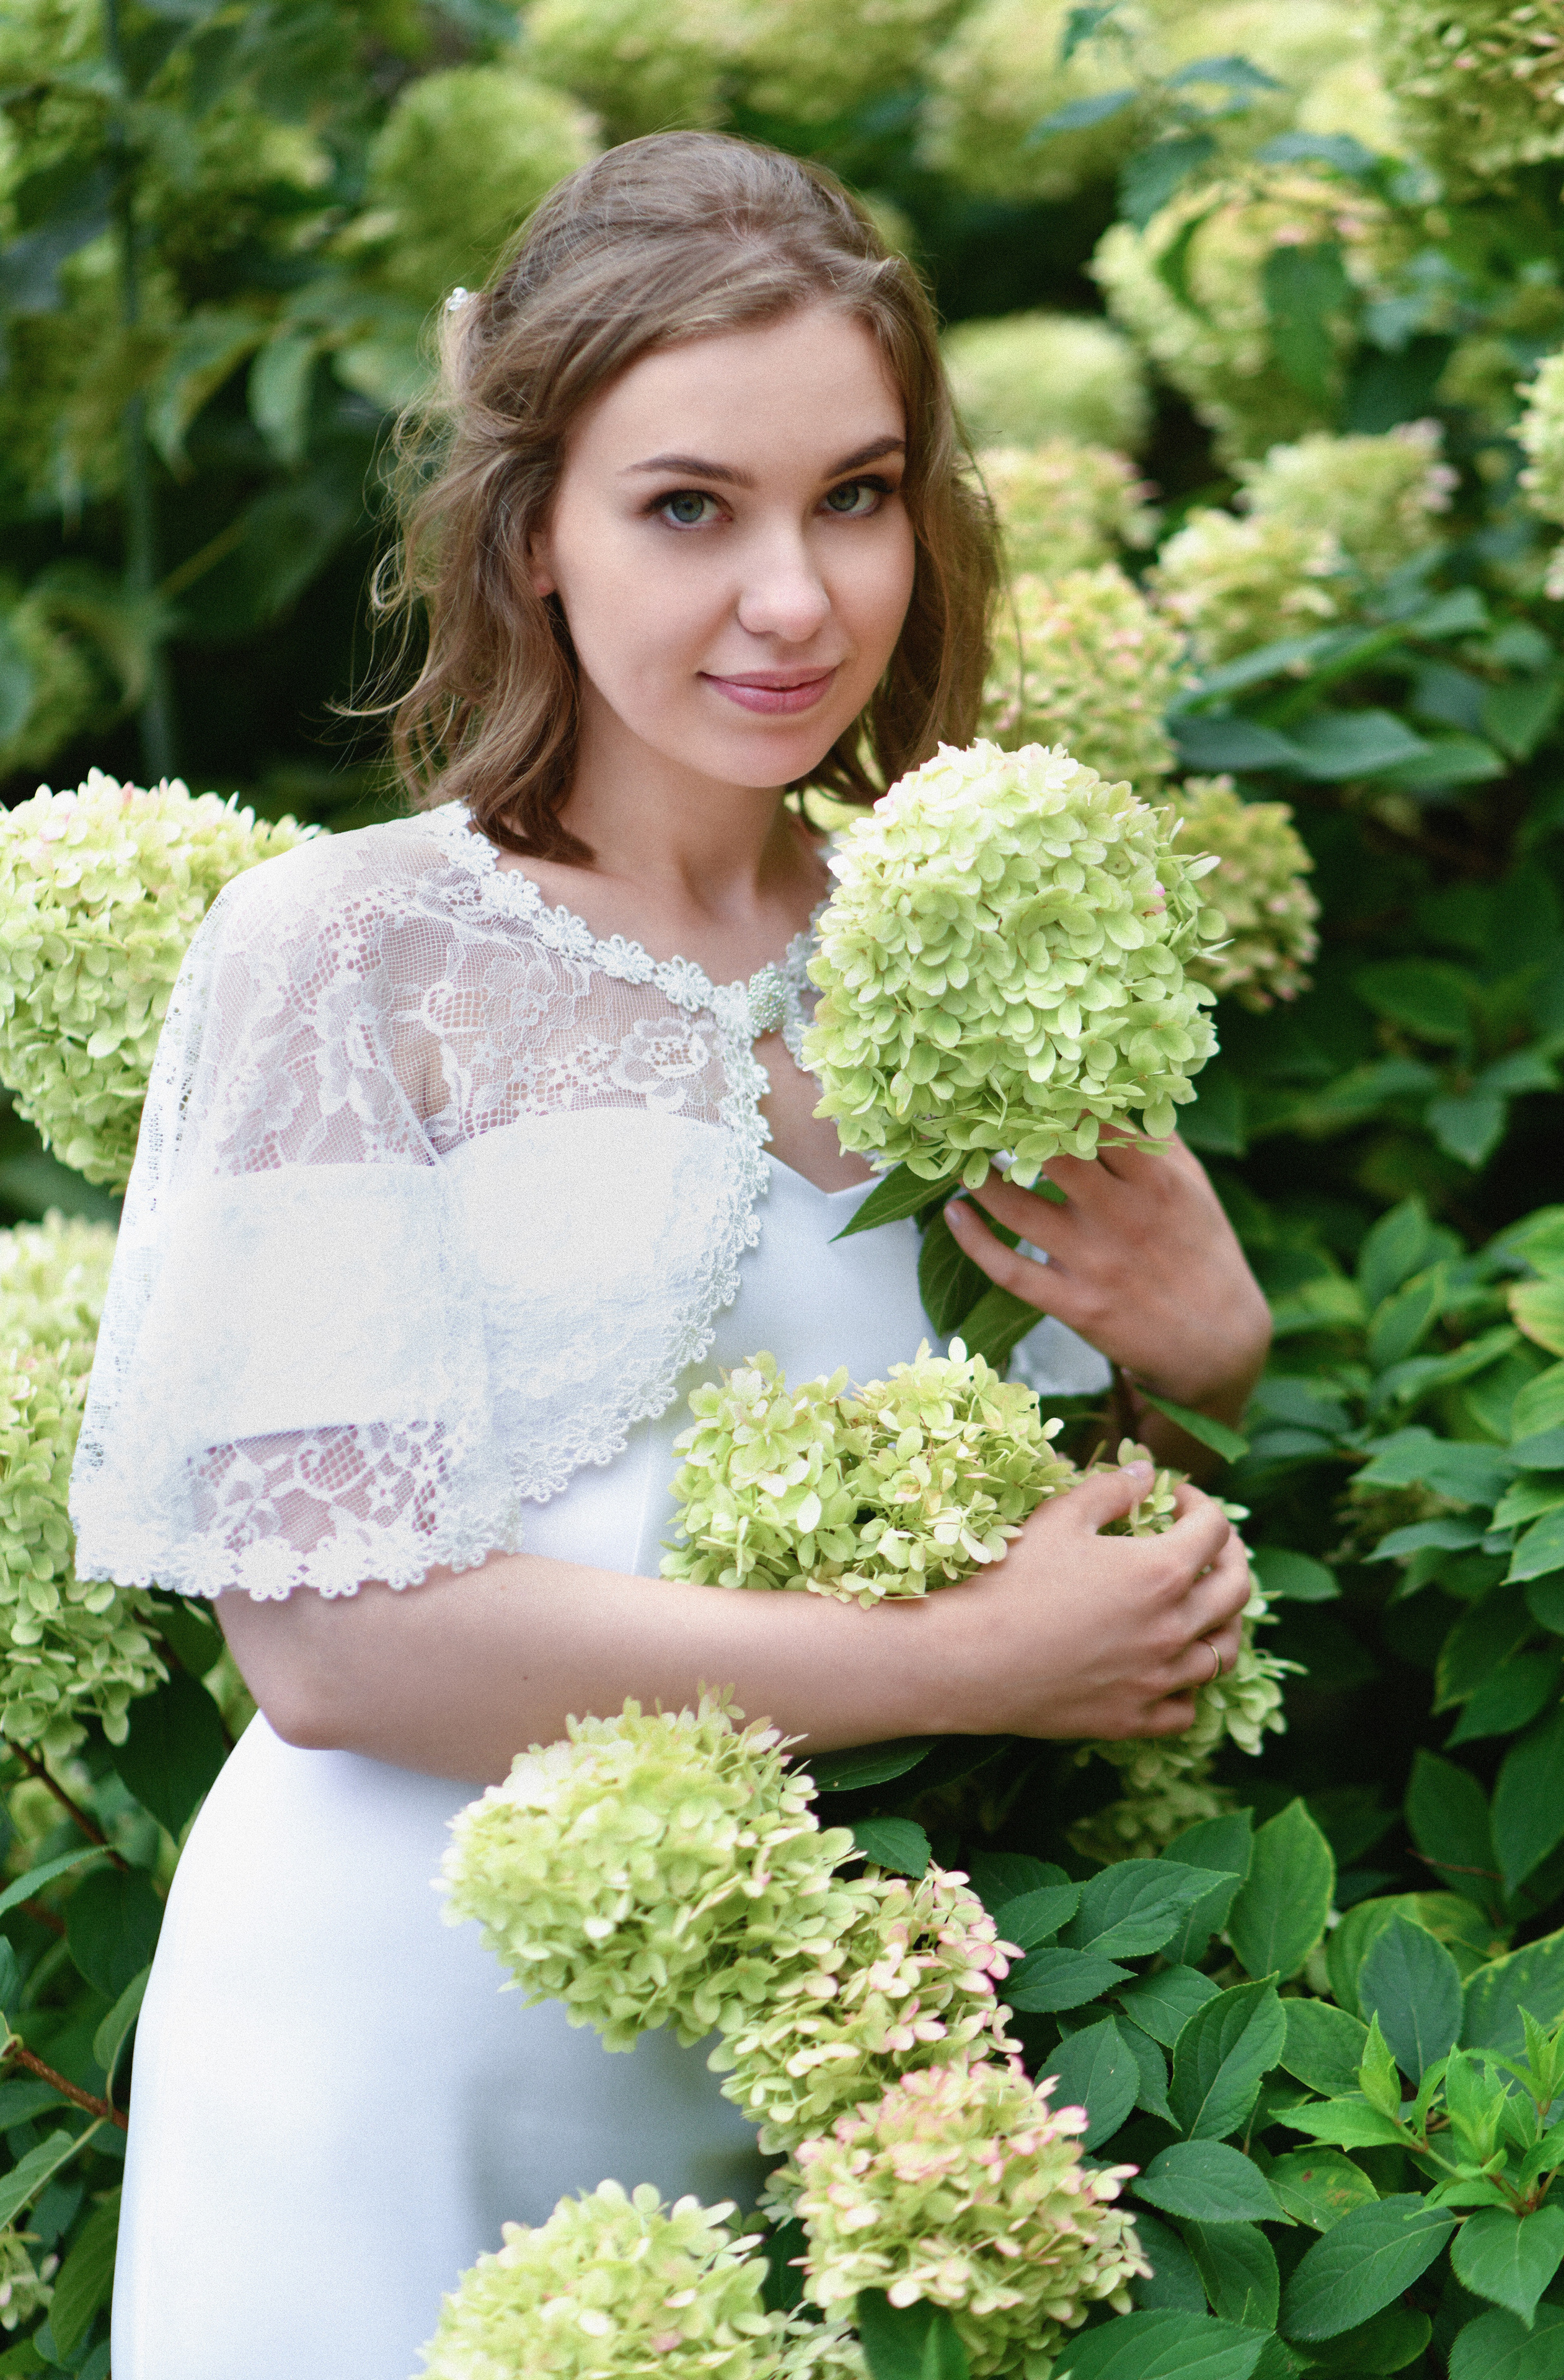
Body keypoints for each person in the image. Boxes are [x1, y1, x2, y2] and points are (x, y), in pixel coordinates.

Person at [71, 133, 1270, 2380]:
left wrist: (1216, 1354)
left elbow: (1097, 1523)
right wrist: (966, 1664)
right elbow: (329, 1648)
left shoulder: (963, 946)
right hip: (391, 2042)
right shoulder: (352, 951)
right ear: (534, 530)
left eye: (859, 493)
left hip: (839, 2062)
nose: (798, 599)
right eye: (689, 506)